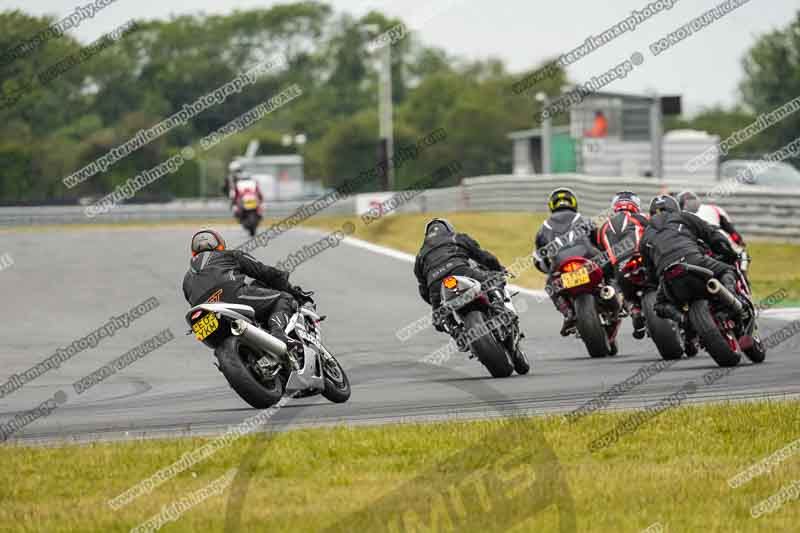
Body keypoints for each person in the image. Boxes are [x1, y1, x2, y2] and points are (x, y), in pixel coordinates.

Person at [182, 229, 312, 360]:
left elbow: (191, 301)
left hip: (202, 314)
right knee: (284, 299)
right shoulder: (229, 255)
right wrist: (292, 290)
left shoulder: (186, 280)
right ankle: (279, 336)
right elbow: (264, 272)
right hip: (231, 297)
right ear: (219, 244)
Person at [640, 195, 743, 324]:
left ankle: (684, 322)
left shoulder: (645, 235)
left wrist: (658, 281)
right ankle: (730, 306)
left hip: (669, 277)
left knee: (659, 306)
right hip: (694, 261)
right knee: (727, 270)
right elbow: (713, 236)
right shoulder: (683, 216)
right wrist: (729, 254)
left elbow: (650, 272)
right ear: (675, 208)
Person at [534, 188, 607, 336]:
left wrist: (549, 269)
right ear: (573, 202)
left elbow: (540, 256)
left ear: (552, 205)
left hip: (561, 265)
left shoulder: (543, 227)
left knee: (550, 285)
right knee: (607, 263)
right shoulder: (583, 219)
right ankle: (610, 291)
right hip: (587, 259)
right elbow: (599, 241)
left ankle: (567, 312)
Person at [414, 218, 507, 332]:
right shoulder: (457, 237)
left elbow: (423, 290)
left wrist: (436, 301)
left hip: (435, 285)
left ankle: (455, 331)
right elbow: (485, 257)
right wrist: (498, 269)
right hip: (459, 270)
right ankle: (500, 310)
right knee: (495, 280)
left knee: (439, 318)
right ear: (448, 228)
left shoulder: (420, 256)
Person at [597, 191, 649, 338]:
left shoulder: (604, 227)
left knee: (619, 285)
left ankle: (634, 310)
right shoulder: (644, 218)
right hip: (643, 261)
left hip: (621, 268)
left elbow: (603, 254)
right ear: (636, 205)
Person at [676, 191, 745, 247]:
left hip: (700, 241)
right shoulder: (714, 208)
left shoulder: (680, 214)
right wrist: (739, 241)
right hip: (718, 238)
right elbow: (730, 229)